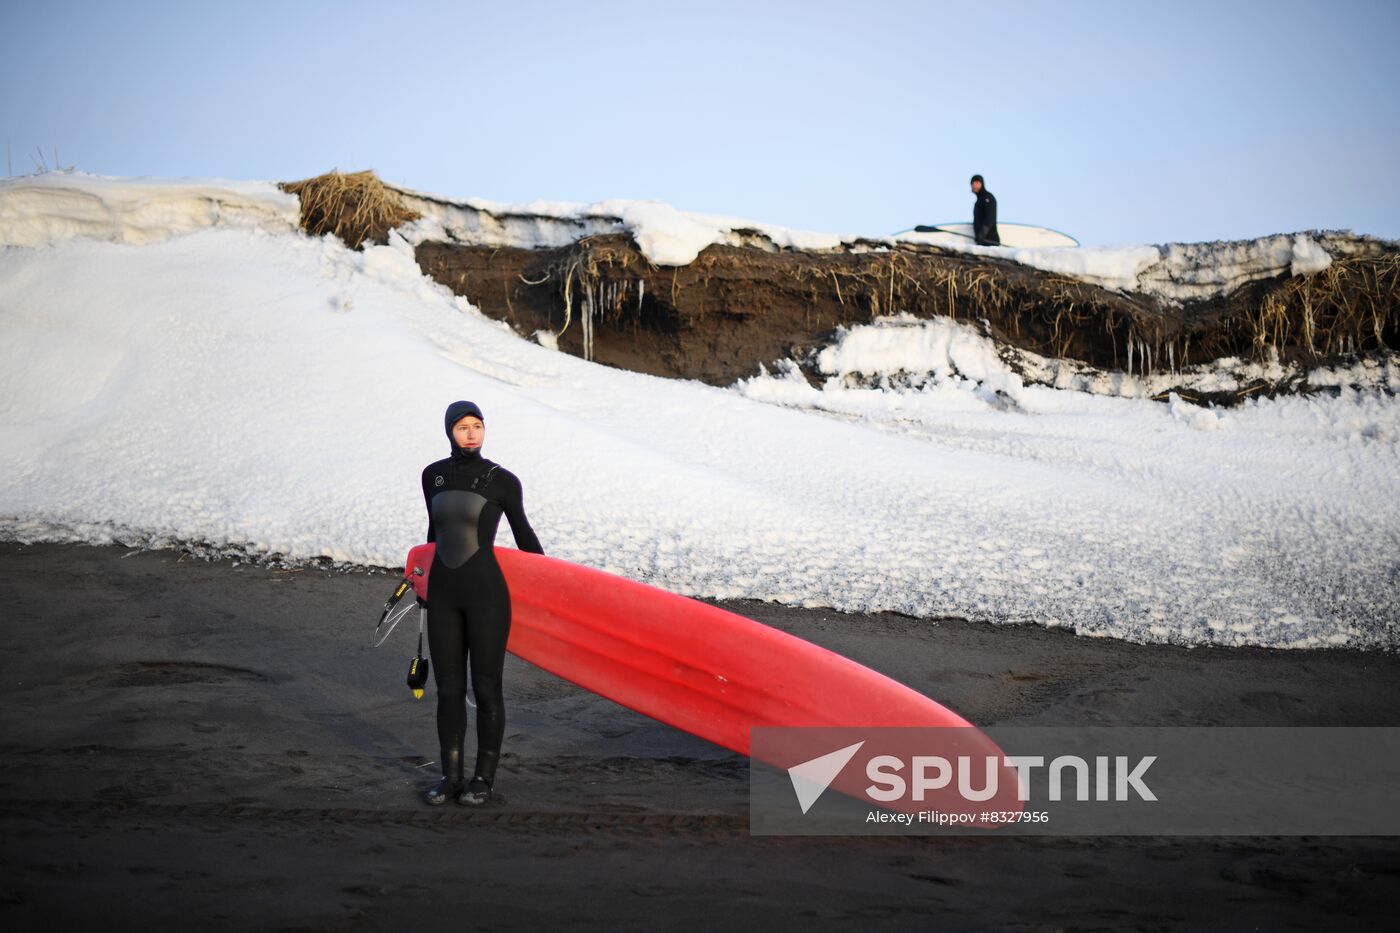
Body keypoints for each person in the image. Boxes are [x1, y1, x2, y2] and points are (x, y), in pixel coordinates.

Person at [420, 399, 544, 806]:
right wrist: (420, 582)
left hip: (488, 598)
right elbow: (434, 536)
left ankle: (483, 780)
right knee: (448, 689)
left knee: (487, 688)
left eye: (477, 425)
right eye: (462, 427)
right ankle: (450, 777)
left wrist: (550, 586)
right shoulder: (432, 476)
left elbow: (525, 539)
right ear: (449, 432)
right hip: (442, 596)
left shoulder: (502, 481)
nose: (471, 433)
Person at [970, 174, 1000, 246]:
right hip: (982, 242)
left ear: (982, 184)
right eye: (972, 183)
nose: (974, 185)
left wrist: (982, 234)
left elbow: (990, 218)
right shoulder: (978, 201)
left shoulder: (987, 197)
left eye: (977, 183)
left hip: (990, 241)